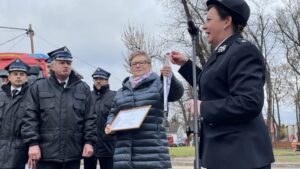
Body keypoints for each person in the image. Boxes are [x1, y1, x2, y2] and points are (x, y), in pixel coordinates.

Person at [169, 0, 275, 168]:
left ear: (227, 21)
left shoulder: (242, 51)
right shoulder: (223, 52)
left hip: (240, 156)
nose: (204, 26)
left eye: (209, 20)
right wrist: (186, 64)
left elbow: (249, 102)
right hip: (225, 154)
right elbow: (211, 84)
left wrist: (203, 108)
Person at [105, 50, 184, 169]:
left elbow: (175, 94)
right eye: (134, 63)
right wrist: (109, 124)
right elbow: (113, 112)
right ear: (130, 67)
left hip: (152, 152)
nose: (138, 65)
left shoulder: (159, 83)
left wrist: (170, 78)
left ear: (149, 65)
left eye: (142, 62)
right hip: (124, 154)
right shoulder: (121, 91)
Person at [21, 46, 97, 169]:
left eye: (68, 63)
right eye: (62, 62)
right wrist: (32, 143)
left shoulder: (83, 88)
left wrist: (89, 142)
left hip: (73, 153)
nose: (66, 65)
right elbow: (29, 117)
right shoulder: (38, 87)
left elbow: (90, 118)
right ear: (52, 66)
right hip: (46, 153)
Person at [84, 67, 116, 169]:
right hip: (90, 145)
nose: (98, 81)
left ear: (107, 80)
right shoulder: (87, 96)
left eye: (101, 79)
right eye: (96, 78)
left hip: (108, 145)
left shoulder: (115, 96)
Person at [0, 59, 30, 169]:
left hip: (22, 149)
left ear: (26, 77)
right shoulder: (1, 95)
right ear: (9, 77)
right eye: (15, 74)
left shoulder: (32, 96)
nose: (18, 77)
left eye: (22, 74)